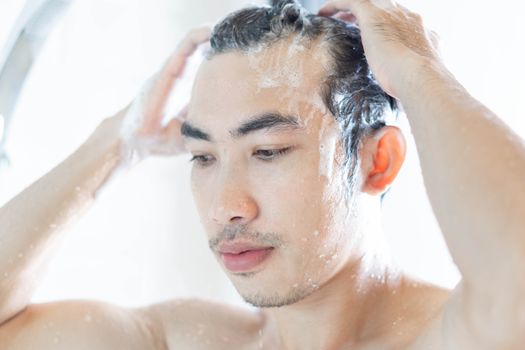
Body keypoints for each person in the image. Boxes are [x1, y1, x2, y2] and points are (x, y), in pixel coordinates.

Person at [1, 0, 524, 348]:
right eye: (203, 157)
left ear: (377, 160)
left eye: (268, 151)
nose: (226, 207)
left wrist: (418, 70)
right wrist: (116, 142)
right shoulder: (187, 340)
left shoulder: (457, 335)